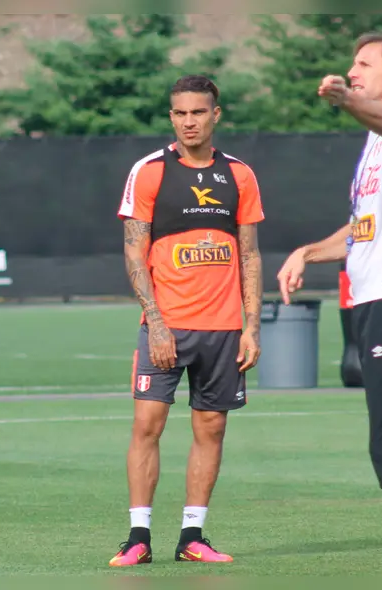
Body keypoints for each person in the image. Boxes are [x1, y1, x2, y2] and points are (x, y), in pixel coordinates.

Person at [277, 31, 382, 576]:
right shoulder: (372, 149)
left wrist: (348, 101)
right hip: (374, 304)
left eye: (364, 63)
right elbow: (361, 232)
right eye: (352, 65)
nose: (353, 71)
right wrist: (307, 251)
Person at [110, 74, 265, 567]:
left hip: (223, 329)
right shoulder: (150, 171)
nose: (188, 121)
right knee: (147, 423)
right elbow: (134, 251)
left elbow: (250, 255)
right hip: (167, 325)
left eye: (198, 112)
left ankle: (192, 536)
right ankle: (138, 535)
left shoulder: (239, 175)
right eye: (180, 113)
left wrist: (253, 325)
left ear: (215, 114)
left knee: (212, 428)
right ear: (171, 116)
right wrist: (155, 321)